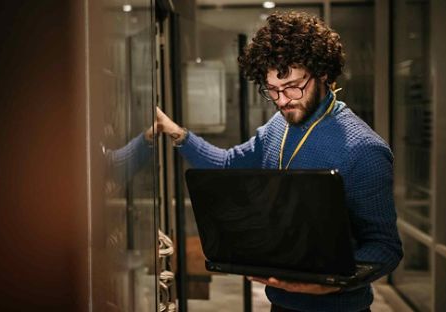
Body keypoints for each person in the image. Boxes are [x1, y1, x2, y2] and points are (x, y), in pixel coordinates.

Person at [156, 10, 403, 312]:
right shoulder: (278, 126)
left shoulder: (364, 149)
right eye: (272, 90)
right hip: (281, 304)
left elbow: (385, 247)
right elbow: (228, 164)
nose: (283, 100)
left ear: (323, 73)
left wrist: (328, 284)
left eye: (292, 87)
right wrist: (176, 133)